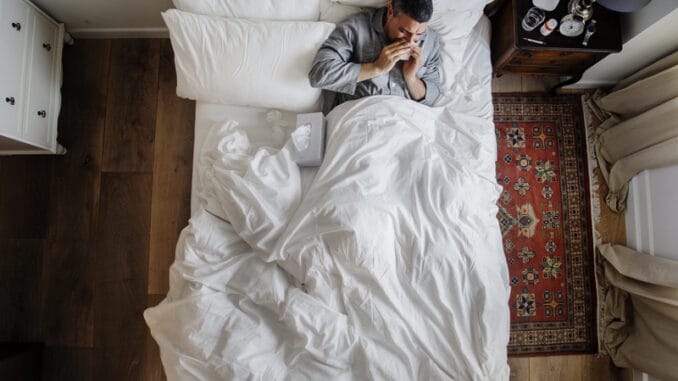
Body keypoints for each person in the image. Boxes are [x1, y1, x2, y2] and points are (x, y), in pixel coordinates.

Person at [308, 0, 441, 114]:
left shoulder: (431, 41)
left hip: (408, 121)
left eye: (419, 34)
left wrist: (411, 78)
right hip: (362, 118)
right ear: (390, 12)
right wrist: (375, 68)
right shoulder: (356, 27)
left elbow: (432, 98)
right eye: (404, 31)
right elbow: (318, 75)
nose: (410, 42)